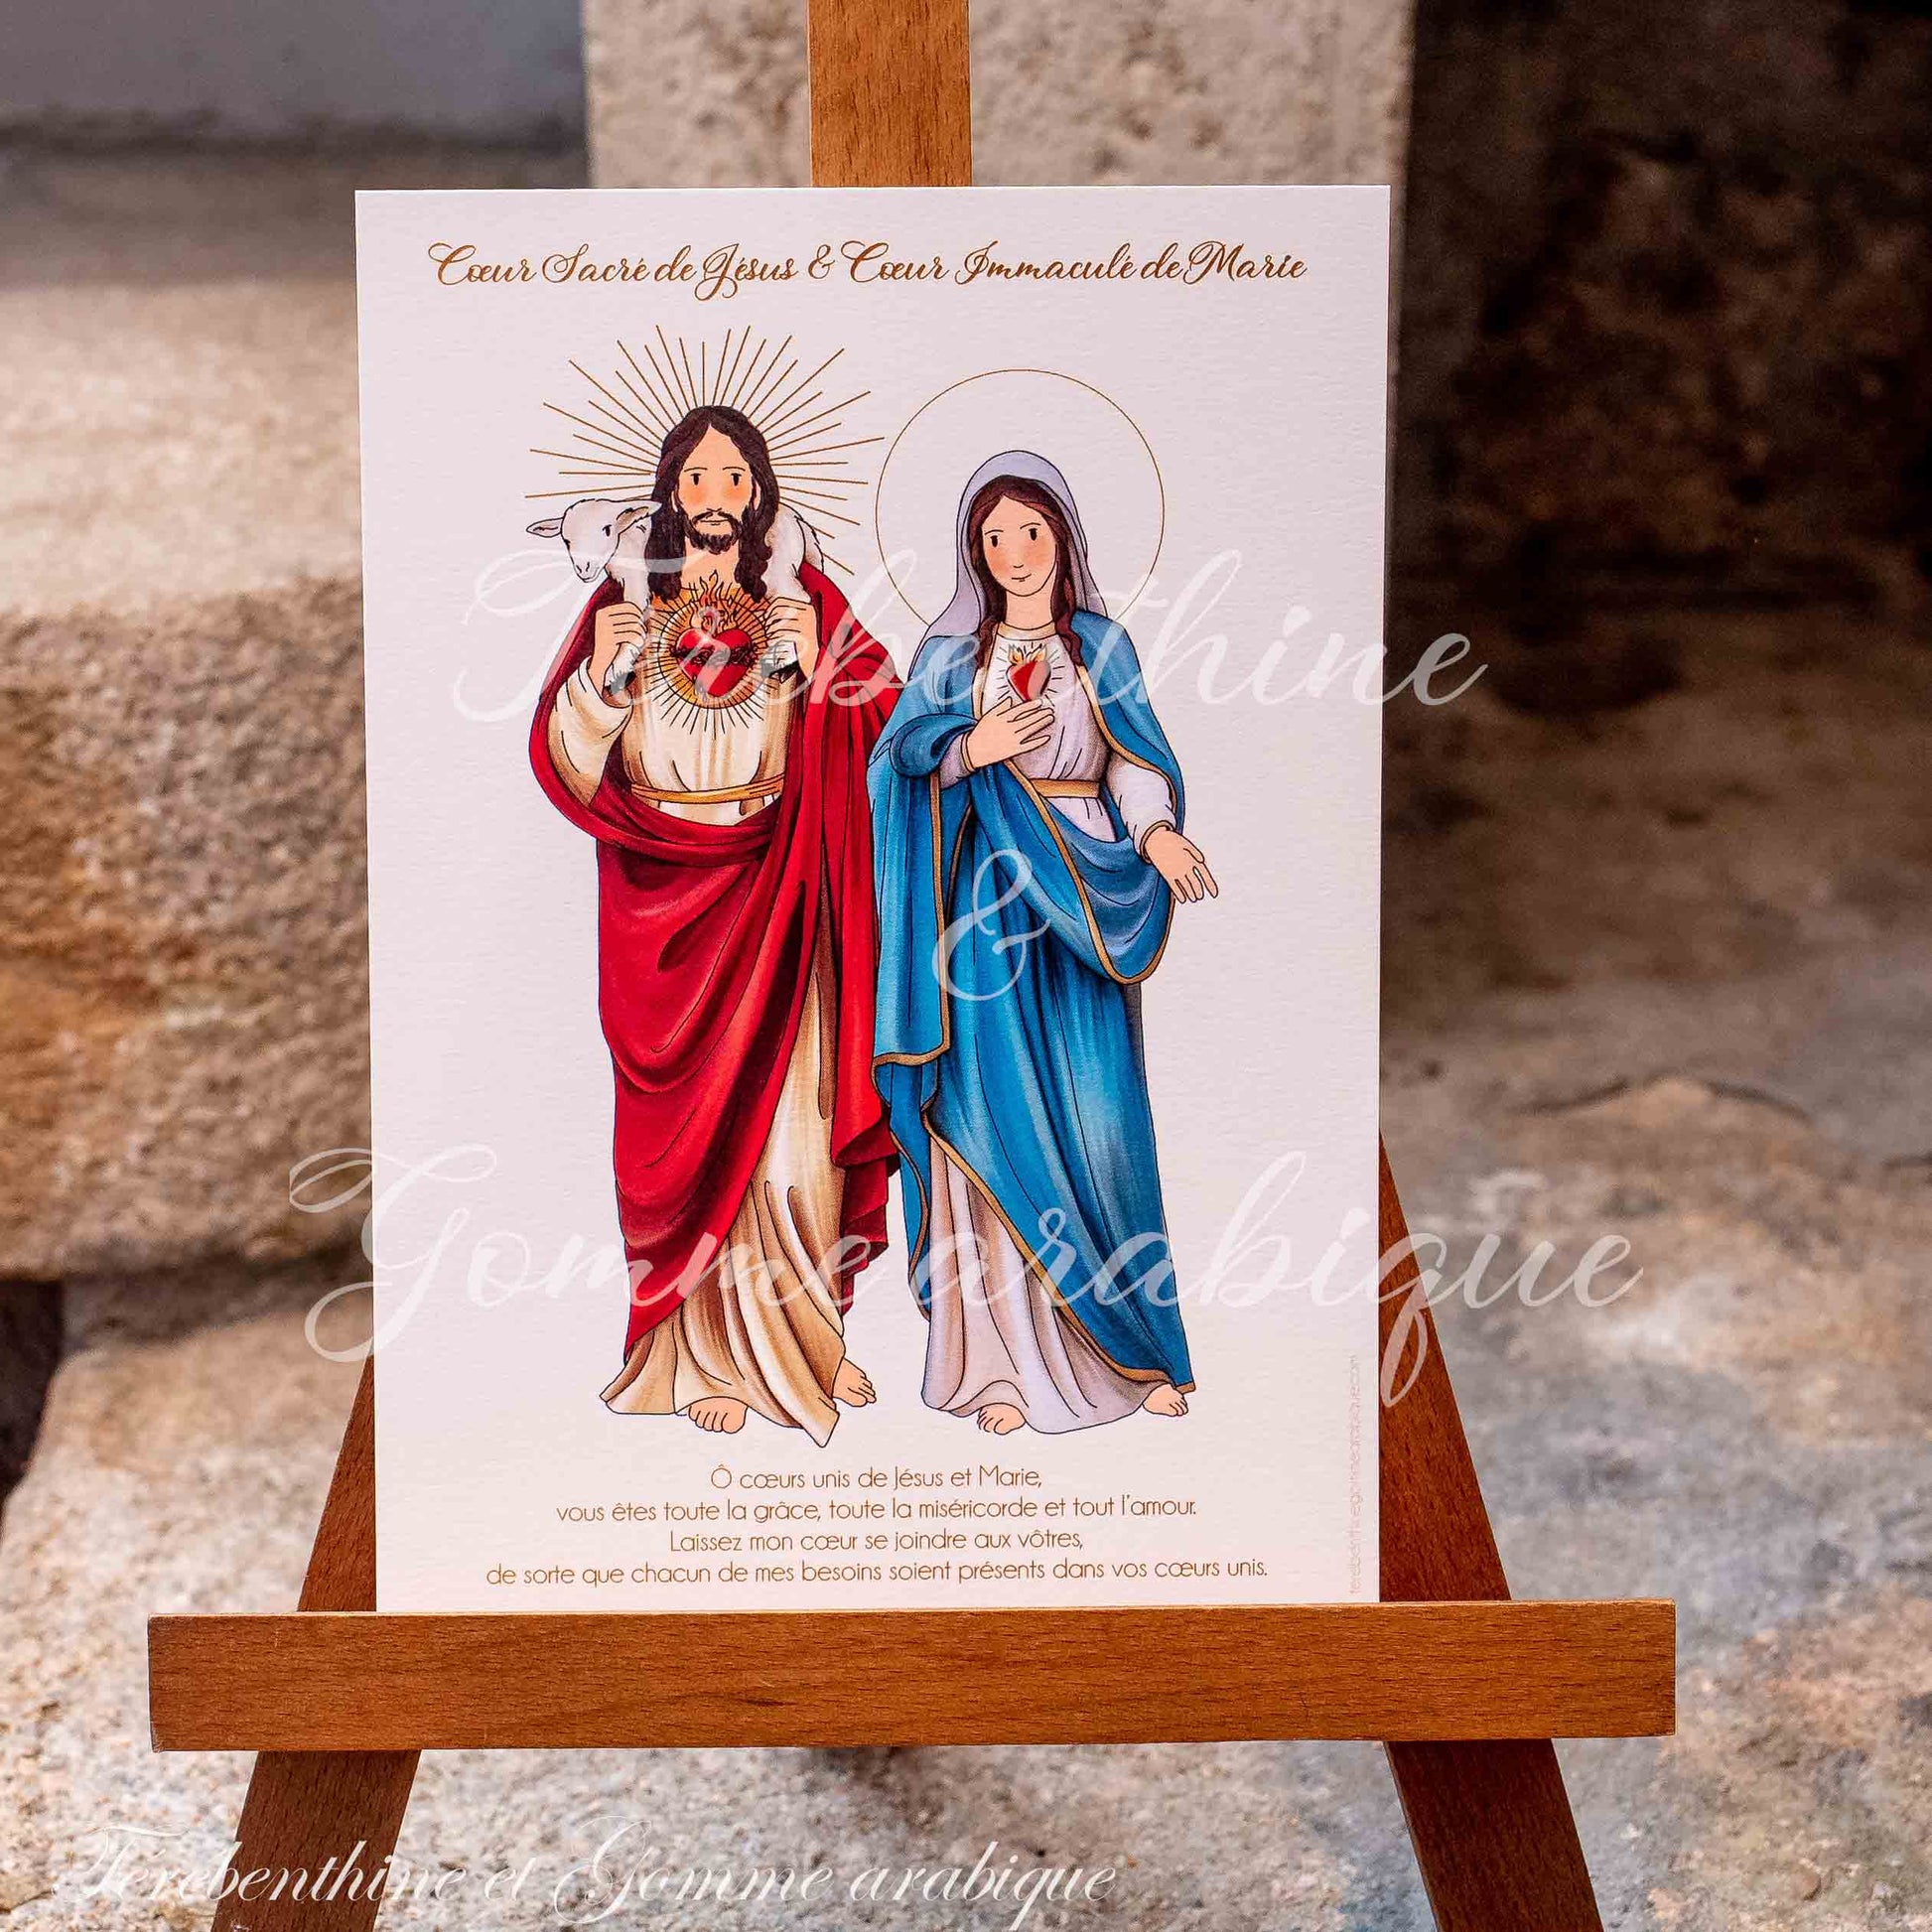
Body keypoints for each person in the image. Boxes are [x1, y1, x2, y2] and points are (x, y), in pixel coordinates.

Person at [530, 403, 898, 1442]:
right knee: (686, 1148)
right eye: (697, 478)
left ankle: (805, 1337)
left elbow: (894, 727)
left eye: (734, 478)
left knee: (796, 1141)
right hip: (665, 900)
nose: (715, 498)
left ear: (759, 492)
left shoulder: (802, 597)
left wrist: (825, 669)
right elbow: (565, 766)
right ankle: (693, 1359)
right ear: (669, 491)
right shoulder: (624, 604)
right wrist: (600, 680)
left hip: (783, 888)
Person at [869, 452, 1217, 1436]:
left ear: (1062, 537)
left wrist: (1155, 832)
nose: (1014, 553)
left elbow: (1133, 759)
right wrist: (966, 748)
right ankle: (1000, 1373)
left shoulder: (1101, 646)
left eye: (1030, 531)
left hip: (1084, 902)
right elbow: (893, 764)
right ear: (972, 553)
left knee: (1103, 1128)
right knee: (988, 1116)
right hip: (982, 912)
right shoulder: (950, 657)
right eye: (993, 538)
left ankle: (1132, 1354)